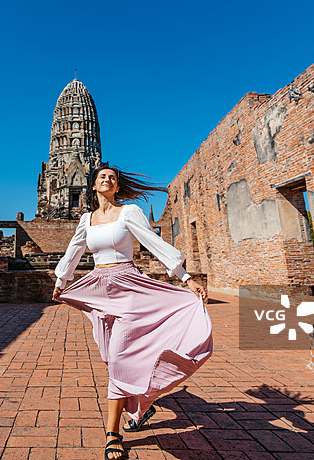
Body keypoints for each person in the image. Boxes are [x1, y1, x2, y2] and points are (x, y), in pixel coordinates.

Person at [52, 165, 213, 460]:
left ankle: (113, 433)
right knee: (108, 355)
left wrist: (186, 278)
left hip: (128, 287)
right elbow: (73, 251)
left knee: (118, 358)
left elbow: (154, 243)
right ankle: (141, 403)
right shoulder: (87, 219)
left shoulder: (129, 213)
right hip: (99, 288)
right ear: (93, 186)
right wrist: (61, 281)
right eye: (102, 176)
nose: (108, 179)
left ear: (117, 186)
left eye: (112, 177)